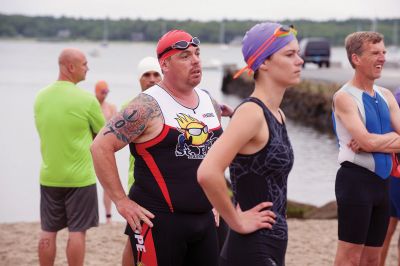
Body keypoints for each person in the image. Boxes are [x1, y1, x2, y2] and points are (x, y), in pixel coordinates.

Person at [91, 29, 233, 266]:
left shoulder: (209, 100)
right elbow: (100, 147)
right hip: (160, 221)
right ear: (165, 64)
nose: (196, 60)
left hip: (206, 219)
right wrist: (121, 201)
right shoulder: (147, 105)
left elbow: (216, 153)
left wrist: (217, 199)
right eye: (185, 56)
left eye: (197, 53)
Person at [197, 22, 302, 265]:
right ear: (263, 62)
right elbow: (207, 172)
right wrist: (235, 220)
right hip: (251, 248)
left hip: (274, 242)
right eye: (290, 54)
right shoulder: (251, 113)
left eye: (298, 53)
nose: (300, 61)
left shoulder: (277, 114)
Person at [332, 32, 400, 265]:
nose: (382, 58)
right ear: (356, 58)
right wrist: (389, 139)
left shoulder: (387, 95)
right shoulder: (344, 97)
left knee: (372, 258)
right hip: (355, 182)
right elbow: (366, 142)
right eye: (375, 53)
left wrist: (379, 139)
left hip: (383, 183)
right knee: (349, 258)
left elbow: (370, 142)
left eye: (383, 52)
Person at [34, 48, 105, 266]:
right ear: (70, 67)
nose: (88, 67)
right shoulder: (87, 100)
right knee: (77, 232)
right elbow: (104, 135)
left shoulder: (40, 97)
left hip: (49, 176)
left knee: (47, 231)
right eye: (84, 64)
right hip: (79, 178)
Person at [121, 56, 162, 266]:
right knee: (134, 240)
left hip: (163, 187)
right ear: (139, 79)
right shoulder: (130, 107)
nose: (152, 79)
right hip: (138, 184)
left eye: (156, 74)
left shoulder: (168, 107)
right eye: (147, 75)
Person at [380, 88, 400, 266]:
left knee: (385, 230)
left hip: (391, 173)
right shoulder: (396, 98)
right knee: (385, 231)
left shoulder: (393, 96)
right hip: (395, 174)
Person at [94, 80, 117, 224]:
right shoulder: (91, 106)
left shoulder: (111, 107)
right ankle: (92, 216)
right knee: (89, 184)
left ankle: (108, 217)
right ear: (96, 91)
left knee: (107, 184)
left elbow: (115, 127)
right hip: (91, 147)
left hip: (106, 149)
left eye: (106, 92)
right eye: (102, 92)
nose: (104, 95)